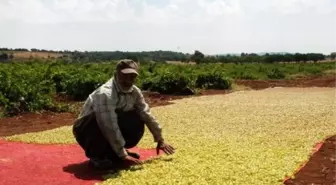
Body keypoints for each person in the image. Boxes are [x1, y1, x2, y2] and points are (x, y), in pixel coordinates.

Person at [72, 59, 175, 170]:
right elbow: (108, 125)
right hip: (86, 130)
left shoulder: (135, 92)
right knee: (100, 120)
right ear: (116, 74)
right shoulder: (106, 93)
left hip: (108, 127)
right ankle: (97, 156)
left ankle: (114, 152)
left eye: (132, 76)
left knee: (136, 116)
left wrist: (160, 139)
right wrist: (123, 154)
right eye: (124, 76)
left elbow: (146, 114)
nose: (128, 80)